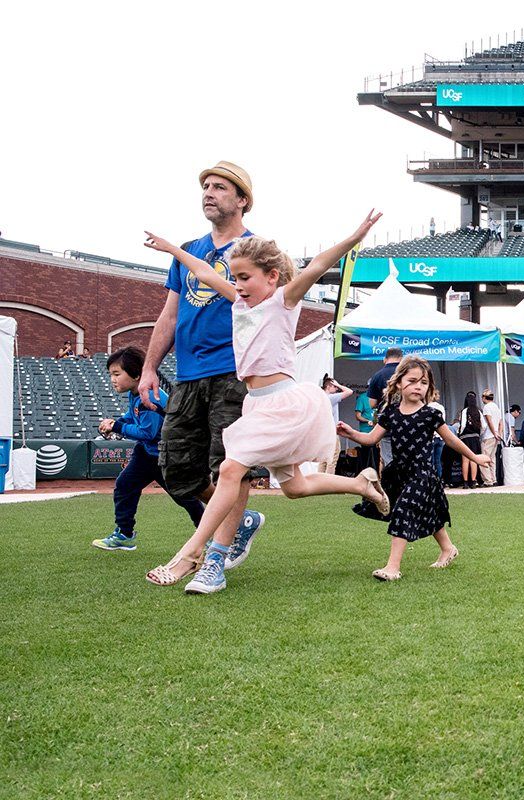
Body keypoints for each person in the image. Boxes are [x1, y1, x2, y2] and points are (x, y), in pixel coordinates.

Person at [141, 211, 391, 594]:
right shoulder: (239, 304)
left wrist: (355, 236)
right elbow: (206, 274)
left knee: (229, 470)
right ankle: (361, 484)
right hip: (257, 405)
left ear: (271, 277)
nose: (237, 286)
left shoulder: (282, 301)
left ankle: (199, 556)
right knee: (295, 487)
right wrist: (173, 249)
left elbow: (320, 264)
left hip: (283, 404)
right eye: (235, 278)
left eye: (245, 278)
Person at [138, 161, 265, 583]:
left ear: (242, 200)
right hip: (189, 374)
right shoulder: (190, 249)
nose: (208, 193)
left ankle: (214, 560)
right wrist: (150, 368)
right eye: (205, 187)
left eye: (220, 187)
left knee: (231, 466)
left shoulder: (258, 250)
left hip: (234, 371)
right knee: (177, 470)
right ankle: (239, 520)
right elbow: (169, 316)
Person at [337, 355, 489, 580]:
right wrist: (351, 433)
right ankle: (448, 548)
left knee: (404, 510)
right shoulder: (389, 412)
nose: (418, 386)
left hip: (423, 474)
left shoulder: (431, 414)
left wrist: (474, 457)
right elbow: (370, 439)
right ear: (399, 382)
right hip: (398, 473)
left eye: (424, 382)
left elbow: (451, 440)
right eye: (413, 380)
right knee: (429, 512)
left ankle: (392, 567)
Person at [91, 346, 206, 551]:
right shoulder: (136, 394)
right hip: (146, 452)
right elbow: (132, 416)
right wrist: (115, 422)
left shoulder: (150, 397)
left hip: (166, 454)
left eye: (117, 374)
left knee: (184, 497)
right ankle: (125, 534)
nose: (112, 379)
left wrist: (118, 427)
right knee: (125, 486)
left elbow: (148, 432)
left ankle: (209, 535)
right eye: (111, 375)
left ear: (136, 375)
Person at [367, 348, 404, 464]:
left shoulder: (377, 376)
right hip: (408, 420)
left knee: (389, 459)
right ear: (401, 359)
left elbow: (372, 404)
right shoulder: (408, 374)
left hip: (387, 423)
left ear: (385, 359)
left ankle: (392, 481)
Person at [319, 375, 354, 474]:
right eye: (334, 386)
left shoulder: (321, 397)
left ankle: (319, 483)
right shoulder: (331, 397)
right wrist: (338, 384)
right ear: (328, 386)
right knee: (332, 460)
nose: (337, 388)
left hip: (323, 432)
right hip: (332, 432)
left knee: (322, 460)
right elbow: (349, 391)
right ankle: (328, 484)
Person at [458, 391, 484, 488]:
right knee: (474, 459)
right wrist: (478, 434)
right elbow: (484, 426)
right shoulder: (478, 411)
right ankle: (473, 482)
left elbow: (463, 424)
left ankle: (465, 482)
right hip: (475, 438)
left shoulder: (465, 411)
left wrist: (459, 434)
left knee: (465, 460)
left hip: (466, 438)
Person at [480, 388, 502, 486]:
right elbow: (500, 422)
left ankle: (487, 480)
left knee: (484, 457)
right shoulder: (496, 407)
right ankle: (494, 479)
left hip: (488, 436)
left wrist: (493, 432)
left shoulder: (487, 407)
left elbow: (489, 421)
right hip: (496, 436)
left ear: (484, 397)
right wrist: (499, 434)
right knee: (492, 459)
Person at [354, 388, 377, 472]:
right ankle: (364, 476)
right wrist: (368, 421)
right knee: (366, 457)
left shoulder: (380, 397)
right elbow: (358, 416)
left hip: (379, 433)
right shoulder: (362, 397)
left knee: (378, 456)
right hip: (366, 432)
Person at [429, 387, 447, 482]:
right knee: (438, 461)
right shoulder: (441, 407)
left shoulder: (427, 407)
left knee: (430, 461)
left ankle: (431, 481)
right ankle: (439, 481)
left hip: (431, 437)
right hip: (440, 436)